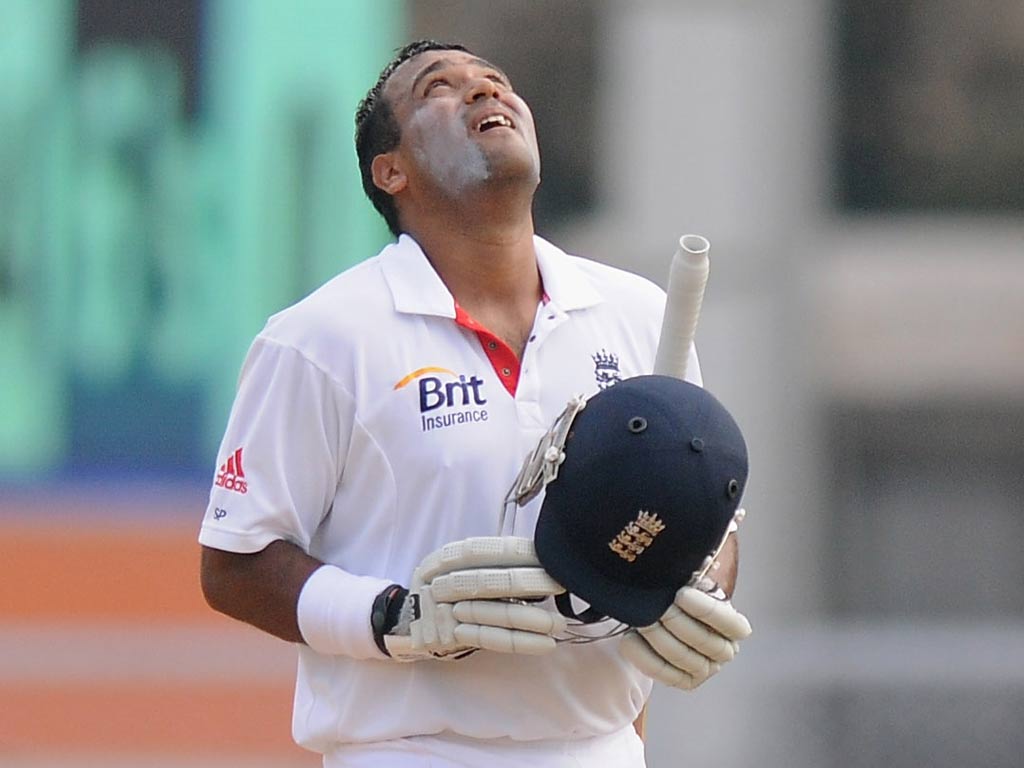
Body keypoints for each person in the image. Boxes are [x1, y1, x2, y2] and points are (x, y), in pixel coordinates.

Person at [199, 39, 750, 768]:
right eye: (441, 88)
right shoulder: (320, 339)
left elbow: (710, 523)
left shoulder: (639, 313)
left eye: (496, 81)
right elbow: (234, 564)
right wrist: (392, 619)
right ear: (389, 170)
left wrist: (698, 585)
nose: (485, 92)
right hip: (408, 752)